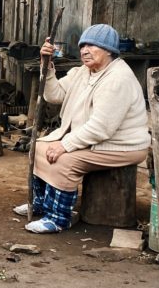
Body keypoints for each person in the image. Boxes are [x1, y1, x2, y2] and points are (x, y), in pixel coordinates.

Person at [13, 23, 151, 234]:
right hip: (98, 140)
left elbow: (101, 128)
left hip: (122, 145)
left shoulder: (117, 78)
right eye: (83, 45)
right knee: (40, 146)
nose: (85, 50)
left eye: (93, 46)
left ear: (109, 50)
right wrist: (47, 67)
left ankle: (59, 218)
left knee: (64, 159)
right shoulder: (82, 72)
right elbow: (55, 94)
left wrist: (65, 144)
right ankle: (40, 203)